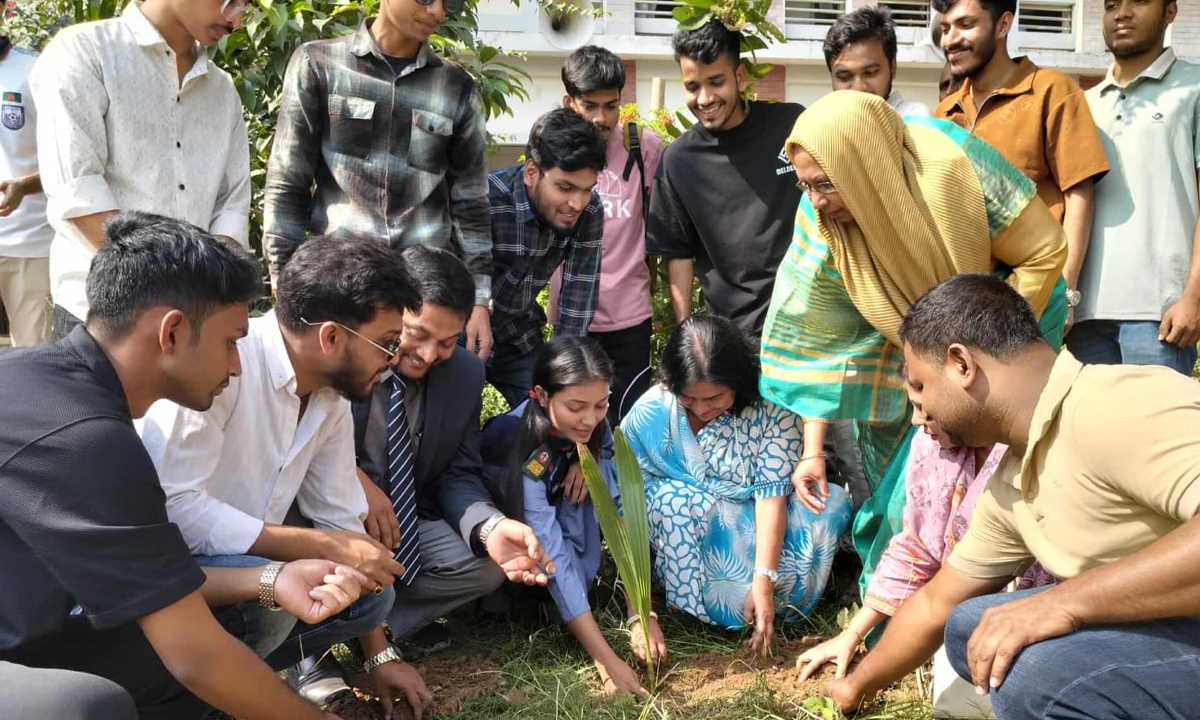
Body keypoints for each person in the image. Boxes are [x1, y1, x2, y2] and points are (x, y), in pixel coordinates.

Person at [0, 211, 369, 720]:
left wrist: (269, 578)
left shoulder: (39, 382)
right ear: (171, 332)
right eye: (230, 341)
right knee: (90, 704)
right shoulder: (86, 441)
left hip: (30, 622)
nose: (237, 365)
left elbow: (151, 581)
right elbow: (194, 656)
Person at [825, 273, 1200, 720]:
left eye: (921, 387)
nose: (917, 416)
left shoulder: (1116, 404)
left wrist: (1062, 604)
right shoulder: (1015, 476)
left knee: (1037, 672)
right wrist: (855, 687)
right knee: (970, 627)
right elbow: (935, 604)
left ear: (961, 364)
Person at [759, 91, 1067, 595]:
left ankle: (985, 609)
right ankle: (901, 618)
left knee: (997, 485)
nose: (815, 201)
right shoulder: (822, 223)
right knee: (909, 494)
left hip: (1009, 333)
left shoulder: (956, 165)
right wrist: (812, 450)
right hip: (905, 357)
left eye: (825, 185)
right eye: (805, 185)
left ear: (865, 167)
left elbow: (1045, 249)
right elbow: (823, 346)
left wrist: (983, 354)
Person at [139, 237, 427, 714]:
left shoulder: (331, 395)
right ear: (331, 337)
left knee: (371, 597)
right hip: (169, 575)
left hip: (241, 571)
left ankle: (220, 686)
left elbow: (340, 519)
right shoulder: (221, 362)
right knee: (272, 594)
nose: (392, 359)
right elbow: (176, 511)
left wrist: (379, 650)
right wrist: (320, 548)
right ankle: (197, 695)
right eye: (387, 343)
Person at [263, 0, 495, 363]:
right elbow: (288, 181)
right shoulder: (319, 64)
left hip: (424, 298)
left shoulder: (456, 87)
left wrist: (479, 299)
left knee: (424, 412)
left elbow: (471, 203)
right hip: (341, 288)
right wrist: (283, 276)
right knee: (340, 409)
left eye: (448, 3)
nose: (437, 12)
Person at [352, 246, 553, 663]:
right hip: (333, 514)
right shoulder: (348, 356)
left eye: (446, 342)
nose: (428, 355)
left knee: (486, 567)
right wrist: (354, 481)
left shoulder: (464, 373)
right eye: (417, 334)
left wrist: (490, 528)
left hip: (407, 522)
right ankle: (312, 651)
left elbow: (459, 472)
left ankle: (383, 620)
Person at [794, 407, 1053, 714]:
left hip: (1050, 625)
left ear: (964, 371)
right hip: (965, 621)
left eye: (922, 397)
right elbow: (919, 551)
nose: (916, 418)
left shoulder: (1045, 449)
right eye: (912, 402)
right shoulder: (933, 445)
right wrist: (852, 634)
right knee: (956, 700)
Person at [621, 316, 852, 649]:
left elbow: (771, 497)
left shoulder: (772, 408)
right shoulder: (651, 413)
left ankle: (760, 596)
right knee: (674, 499)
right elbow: (627, 510)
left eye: (714, 398)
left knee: (828, 505)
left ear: (738, 381)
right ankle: (703, 599)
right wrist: (640, 615)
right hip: (682, 532)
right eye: (688, 398)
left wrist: (765, 579)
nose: (701, 409)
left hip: (755, 522)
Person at [29, 0, 251, 339]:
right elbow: (79, 193)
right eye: (231, 0)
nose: (237, 18)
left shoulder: (222, 91)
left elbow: (231, 205)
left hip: (189, 323)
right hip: (101, 318)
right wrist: (168, 292)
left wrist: (202, 295)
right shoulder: (86, 52)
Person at [480, 336, 664, 697]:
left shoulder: (590, 426)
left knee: (605, 477)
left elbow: (623, 513)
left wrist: (642, 614)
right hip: (510, 538)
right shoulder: (521, 446)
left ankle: (567, 605)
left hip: (554, 508)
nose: (590, 419)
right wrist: (606, 660)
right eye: (576, 406)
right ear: (542, 395)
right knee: (556, 569)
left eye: (601, 404)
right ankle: (525, 600)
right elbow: (550, 551)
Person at [934, 0, 1108, 334]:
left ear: (1002, 25)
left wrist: (1065, 292)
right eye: (945, 28)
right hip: (963, 303)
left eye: (965, 24)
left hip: (1034, 298)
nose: (950, 39)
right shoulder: (943, 114)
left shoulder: (1051, 91)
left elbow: (1079, 194)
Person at [647, 19, 804, 337]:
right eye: (692, 87)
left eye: (715, 82)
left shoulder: (791, 127)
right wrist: (687, 335)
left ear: (740, 76)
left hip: (804, 326)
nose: (704, 98)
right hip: (731, 338)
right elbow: (678, 255)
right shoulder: (678, 161)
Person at [1070, 0, 1200, 376]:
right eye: (1111, 5)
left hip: (1160, 317)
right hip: (1085, 313)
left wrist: (1193, 295)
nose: (1121, 13)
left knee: (1154, 433)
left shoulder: (1193, 87)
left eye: (1138, 1)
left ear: (1170, 11)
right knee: (1094, 433)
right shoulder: (1082, 104)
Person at [549, 46, 665, 424]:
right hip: (573, 319)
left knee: (629, 423)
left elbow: (658, 225)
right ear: (569, 102)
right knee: (575, 424)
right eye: (590, 106)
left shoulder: (643, 149)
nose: (602, 118)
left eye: (611, 106)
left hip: (630, 318)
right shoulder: (552, 152)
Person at [485, 108, 605, 408]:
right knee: (456, 419)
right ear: (531, 172)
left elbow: (578, 301)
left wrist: (564, 374)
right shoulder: (487, 198)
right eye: (565, 187)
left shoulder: (589, 212)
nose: (576, 203)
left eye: (586, 190)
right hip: (468, 327)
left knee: (555, 409)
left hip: (519, 334)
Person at [0, 37, 52, 346]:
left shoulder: (36, 69)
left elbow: (70, 157)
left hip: (29, 242)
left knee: (33, 358)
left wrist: (24, 186)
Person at [823, 6, 929, 116]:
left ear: (892, 67)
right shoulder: (821, 125)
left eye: (870, 73)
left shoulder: (916, 120)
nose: (859, 88)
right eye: (844, 77)